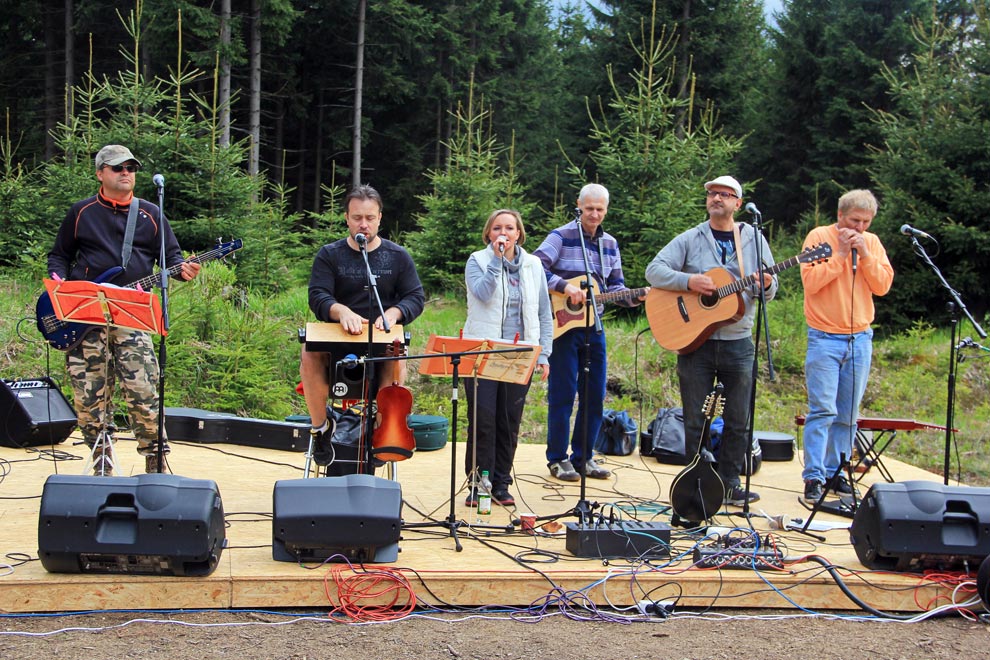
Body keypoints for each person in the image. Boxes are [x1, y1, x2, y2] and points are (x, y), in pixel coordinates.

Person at [47, 144, 202, 476]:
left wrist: (184, 270)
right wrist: (59, 284)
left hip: (132, 314)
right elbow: (59, 254)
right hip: (85, 314)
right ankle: (101, 459)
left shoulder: (151, 214)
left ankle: (155, 462)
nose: (126, 173)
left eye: (130, 168)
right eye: (118, 168)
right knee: (89, 391)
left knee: (144, 387)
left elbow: (172, 259)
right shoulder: (82, 212)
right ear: (100, 173)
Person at [645, 175, 777, 506]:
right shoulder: (691, 238)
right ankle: (698, 483)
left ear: (738, 203)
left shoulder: (753, 238)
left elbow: (770, 288)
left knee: (738, 420)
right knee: (695, 419)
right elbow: (654, 270)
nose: (716, 198)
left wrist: (766, 284)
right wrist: (689, 282)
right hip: (696, 343)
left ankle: (730, 484)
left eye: (725, 194)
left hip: (738, 341)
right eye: (712, 194)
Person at [300, 184, 425, 466]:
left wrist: (394, 313)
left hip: (381, 339)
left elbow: (415, 297)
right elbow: (317, 295)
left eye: (370, 218)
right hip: (338, 340)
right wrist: (340, 311)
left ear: (380, 218)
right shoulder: (329, 254)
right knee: (308, 352)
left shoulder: (398, 256)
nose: (364, 225)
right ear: (347, 218)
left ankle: (382, 430)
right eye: (357, 218)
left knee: (397, 358)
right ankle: (321, 429)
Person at [534, 183, 642, 482]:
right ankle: (557, 458)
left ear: (606, 210)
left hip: (594, 327)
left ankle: (584, 458)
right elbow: (535, 266)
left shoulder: (610, 244)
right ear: (579, 205)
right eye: (589, 208)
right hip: (563, 328)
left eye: (600, 209)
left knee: (594, 394)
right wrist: (565, 287)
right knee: (563, 393)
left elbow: (615, 286)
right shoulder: (561, 236)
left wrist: (635, 297)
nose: (594, 214)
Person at [799, 189, 893, 504]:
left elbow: (882, 285)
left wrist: (864, 254)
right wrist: (839, 255)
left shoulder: (872, 243)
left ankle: (836, 471)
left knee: (848, 414)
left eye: (866, 222)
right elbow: (811, 283)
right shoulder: (819, 237)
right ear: (840, 216)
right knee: (823, 409)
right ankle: (814, 477)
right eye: (854, 220)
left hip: (860, 338)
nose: (860, 227)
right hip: (824, 337)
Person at [462, 209, 553, 506]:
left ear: (519, 234)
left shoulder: (533, 265)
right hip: (483, 350)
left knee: (509, 421)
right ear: (489, 234)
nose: (504, 233)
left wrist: (544, 353)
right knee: (483, 420)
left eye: (509, 228)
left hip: (521, 352)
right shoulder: (477, 261)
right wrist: (496, 262)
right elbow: (483, 294)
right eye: (497, 228)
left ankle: (501, 483)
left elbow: (544, 312)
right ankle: (478, 483)